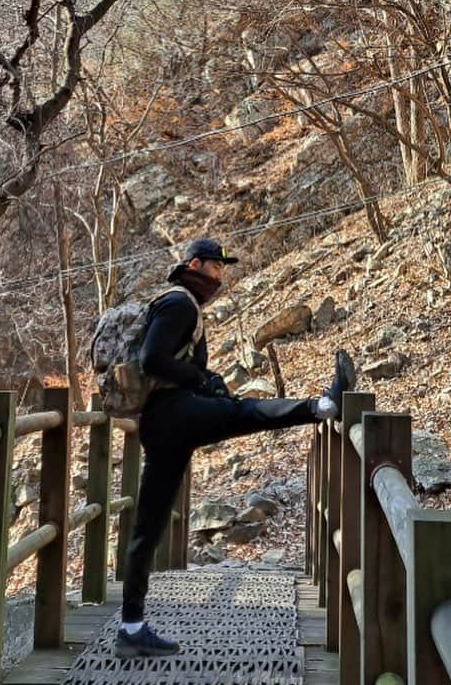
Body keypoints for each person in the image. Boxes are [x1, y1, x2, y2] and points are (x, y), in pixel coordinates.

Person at [114, 237, 352, 658]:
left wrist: (206, 381)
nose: (220, 275)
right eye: (215, 267)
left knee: (148, 524)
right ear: (194, 264)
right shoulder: (180, 304)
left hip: (166, 419)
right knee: (245, 413)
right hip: (171, 414)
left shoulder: (184, 306)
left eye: (223, 268)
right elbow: (153, 359)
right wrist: (200, 382)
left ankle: (130, 627)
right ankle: (322, 406)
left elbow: (177, 365)